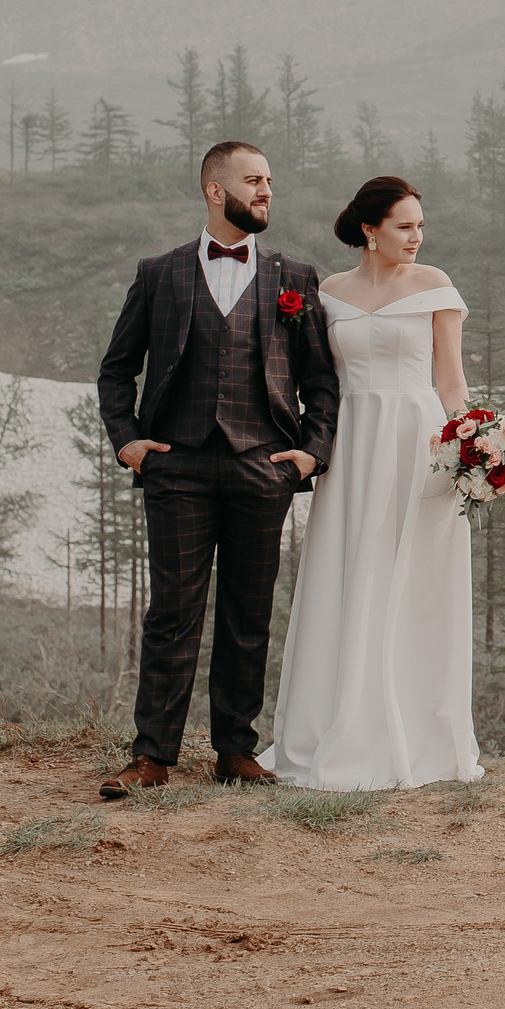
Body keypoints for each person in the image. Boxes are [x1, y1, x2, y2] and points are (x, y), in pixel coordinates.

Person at [94, 140, 338, 798]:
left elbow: (321, 379)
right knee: (173, 612)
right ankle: (152, 756)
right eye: (253, 180)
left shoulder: (295, 277)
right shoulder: (160, 273)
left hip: (264, 467)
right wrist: (128, 441)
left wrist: (311, 451)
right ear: (214, 189)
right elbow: (117, 369)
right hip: (178, 467)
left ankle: (235, 749)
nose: (266, 191)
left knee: (247, 613)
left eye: (269, 181)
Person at [266, 174, 483, 789]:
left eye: (420, 226)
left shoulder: (434, 284)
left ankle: (415, 737)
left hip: (419, 444)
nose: (417, 237)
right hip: (353, 444)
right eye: (404, 226)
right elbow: (313, 378)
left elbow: (451, 381)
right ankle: (338, 727)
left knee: (416, 581)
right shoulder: (329, 292)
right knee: (348, 571)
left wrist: (474, 447)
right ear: (370, 230)